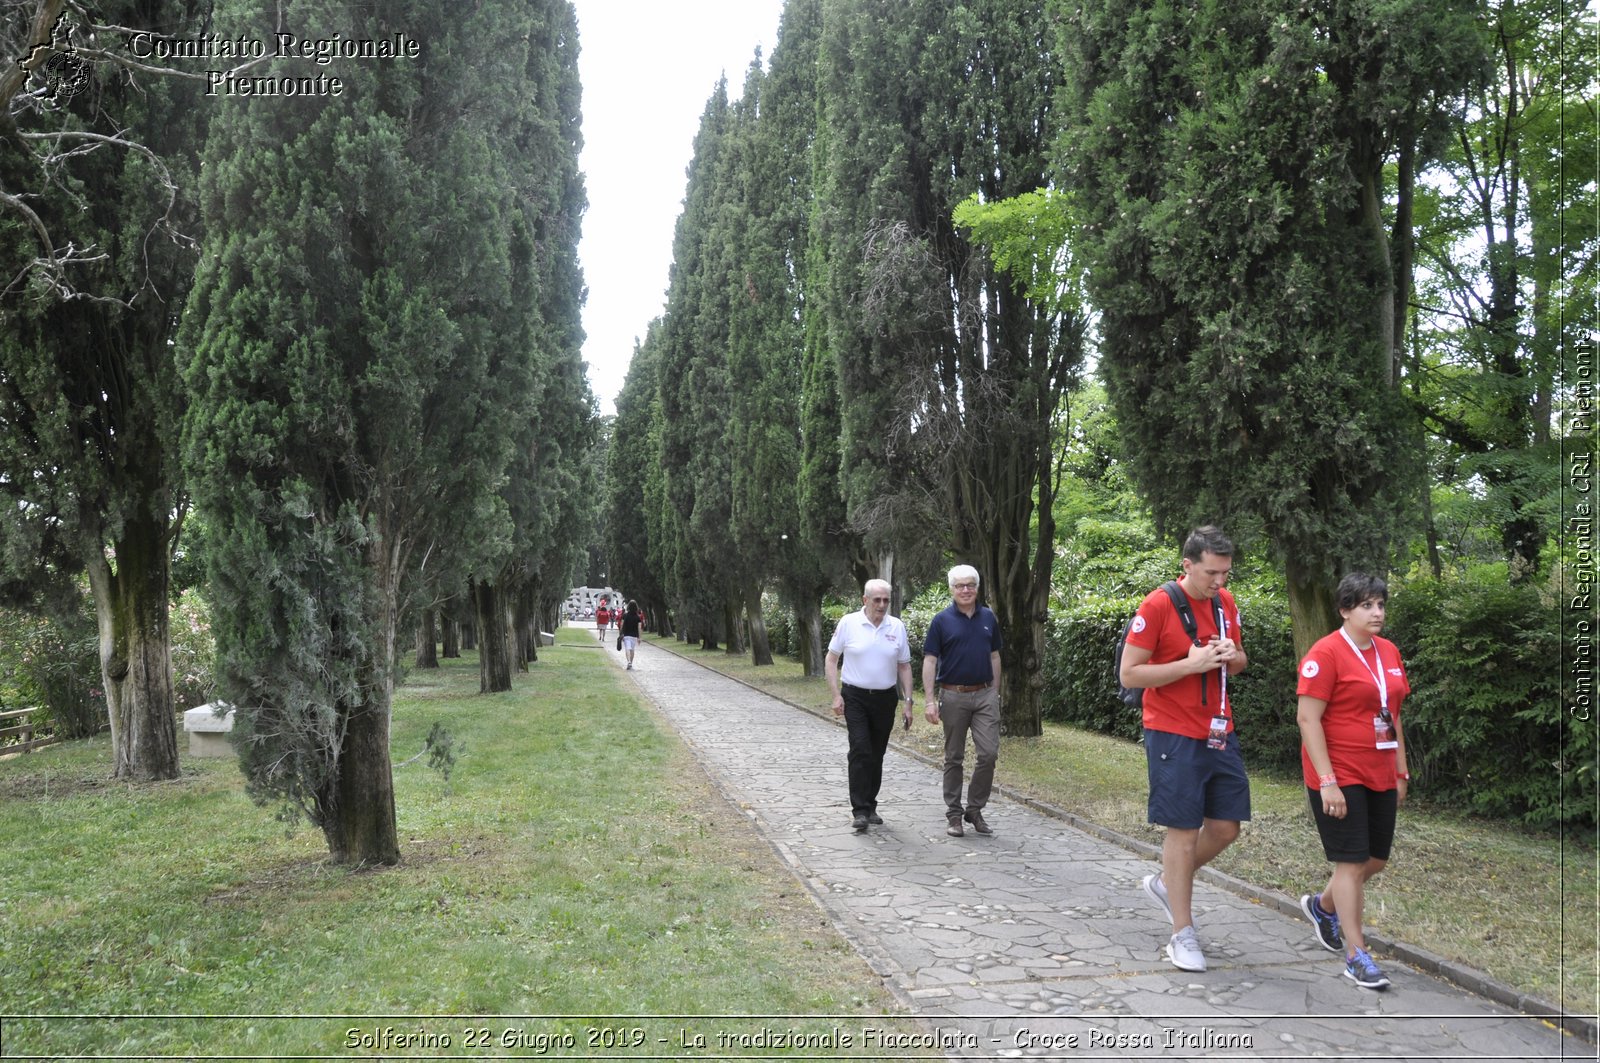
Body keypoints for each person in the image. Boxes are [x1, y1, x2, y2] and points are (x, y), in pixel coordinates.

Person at [1118, 525, 1249, 972]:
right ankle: (1182, 932)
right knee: (1183, 827)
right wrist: (1187, 665)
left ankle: (1166, 882)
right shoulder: (1158, 604)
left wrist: (1232, 655)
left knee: (1227, 827)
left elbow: (1242, 662)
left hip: (1220, 729)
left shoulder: (1226, 603)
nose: (1220, 582)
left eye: (1226, 573)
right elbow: (1130, 675)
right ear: (1187, 565)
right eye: (1212, 572)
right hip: (1172, 731)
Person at [1295, 572, 1411, 991]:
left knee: (1374, 860)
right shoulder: (1325, 654)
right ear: (1345, 610)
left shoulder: (1389, 652)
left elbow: (1393, 715)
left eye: (1380, 604)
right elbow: (1308, 719)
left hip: (1379, 770)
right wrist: (1328, 781)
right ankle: (1357, 955)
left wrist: (1400, 770)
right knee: (1350, 862)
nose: (1377, 612)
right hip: (1339, 772)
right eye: (1366, 605)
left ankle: (1323, 907)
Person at [826, 579, 914, 832]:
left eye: (886, 600)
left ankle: (871, 804)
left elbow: (904, 666)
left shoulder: (896, 626)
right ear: (865, 600)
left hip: (885, 698)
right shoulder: (848, 623)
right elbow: (831, 660)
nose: (882, 605)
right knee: (861, 748)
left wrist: (908, 702)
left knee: (877, 752)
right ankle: (860, 810)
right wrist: (835, 695)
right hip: (854, 696)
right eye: (877, 600)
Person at [922, 564, 1003, 838]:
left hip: (984, 695)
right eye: (960, 586)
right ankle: (954, 815)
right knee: (954, 757)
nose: (965, 590)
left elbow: (995, 656)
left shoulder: (988, 617)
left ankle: (975, 809)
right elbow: (930, 660)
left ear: (977, 588)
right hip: (953, 695)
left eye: (970, 585)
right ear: (952, 589)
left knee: (988, 754)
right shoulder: (941, 621)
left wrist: (995, 692)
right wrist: (930, 701)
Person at [618, 600, 646, 670]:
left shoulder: (625, 615)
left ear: (628, 607)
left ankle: (628, 662)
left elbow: (621, 624)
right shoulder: (638, 617)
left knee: (627, 648)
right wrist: (639, 637)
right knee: (632, 649)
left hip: (626, 635)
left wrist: (621, 632)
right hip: (634, 636)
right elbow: (639, 627)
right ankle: (631, 663)